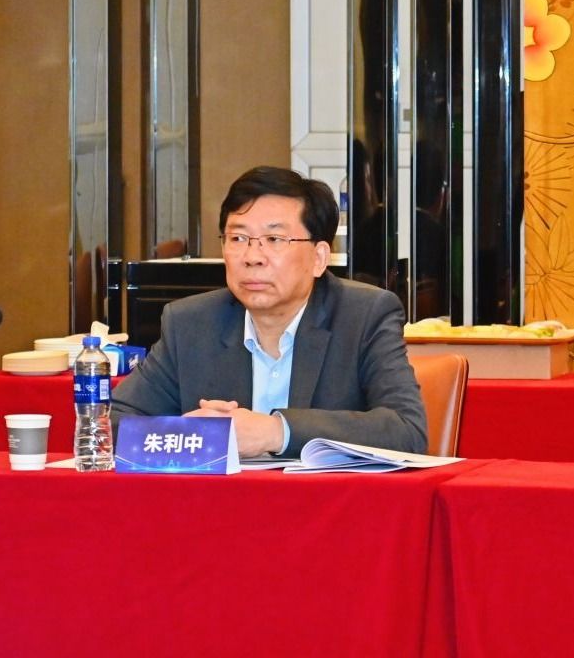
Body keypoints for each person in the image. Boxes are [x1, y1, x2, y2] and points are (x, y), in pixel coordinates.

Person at [110, 165, 427, 456]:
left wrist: (277, 432)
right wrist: (188, 433)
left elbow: (407, 431)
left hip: (325, 499)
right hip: (222, 500)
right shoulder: (190, 323)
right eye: (238, 238)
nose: (252, 257)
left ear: (319, 258)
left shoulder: (364, 316)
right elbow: (110, 425)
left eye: (274, 239)